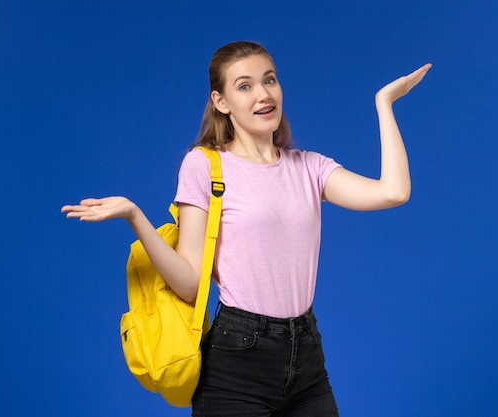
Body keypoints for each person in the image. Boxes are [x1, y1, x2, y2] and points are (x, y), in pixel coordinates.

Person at [62, 40, 431, 417]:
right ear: (221, 102)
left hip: (306, 356)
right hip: (237, 360)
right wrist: (135, 217)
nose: (263, 94)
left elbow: (394, 191)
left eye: (269, 80)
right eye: (244, 86)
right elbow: (190, 283)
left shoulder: (310, 168)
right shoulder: (203, 167)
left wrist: (384, 103)